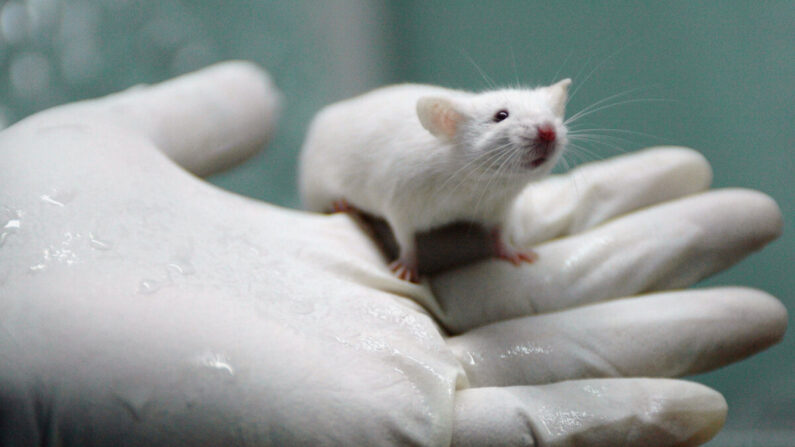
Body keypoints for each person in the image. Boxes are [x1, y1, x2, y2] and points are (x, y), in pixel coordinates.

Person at [0, 61, 786, 446]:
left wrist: (499, 236)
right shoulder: (424, 157)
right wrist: (404, 252)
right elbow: (404, 203)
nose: (539, 130)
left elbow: (503, 200)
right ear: (449, 124)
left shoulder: (501, 171)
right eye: (509, 116)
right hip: (346, 176)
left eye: (545, 117)